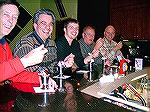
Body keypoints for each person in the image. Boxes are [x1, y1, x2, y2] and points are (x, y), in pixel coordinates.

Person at [0, 0, 48, 83]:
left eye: (14, 17)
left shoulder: (4, 45)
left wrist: (41, 78)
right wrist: (25, 61)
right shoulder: (25, 42)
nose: (10, 20)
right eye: (6, 14)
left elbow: (14, 75)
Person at [55, 18, 92, 83]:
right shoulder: (59, 42)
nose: (75, 30)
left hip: (70, 78)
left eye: (77, 28)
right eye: (71, 27)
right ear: (65, 29)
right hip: (58, 79)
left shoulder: (75, 43)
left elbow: (79, 62)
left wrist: (87, 59)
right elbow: (58, 66)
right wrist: (72, 64)